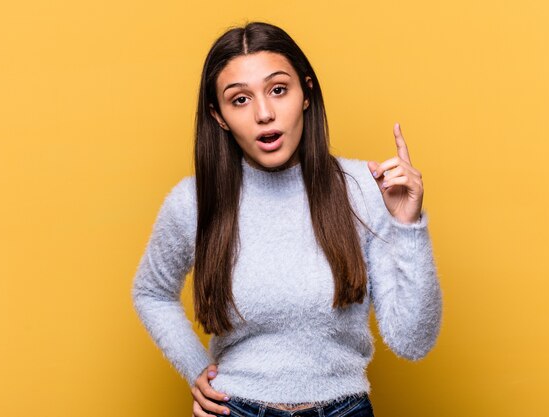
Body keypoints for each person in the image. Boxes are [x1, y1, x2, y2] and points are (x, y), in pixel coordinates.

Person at [132, 21, 443, 417]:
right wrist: (197, 369)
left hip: (342, 409)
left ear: (306, 94)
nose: (264, 113)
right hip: (237, 409)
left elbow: (412, 341)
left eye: (278, 90)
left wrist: (407, 227)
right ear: (219, 116)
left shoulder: (365, 189)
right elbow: (151, 292)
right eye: (239, 100)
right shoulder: (194, 202)